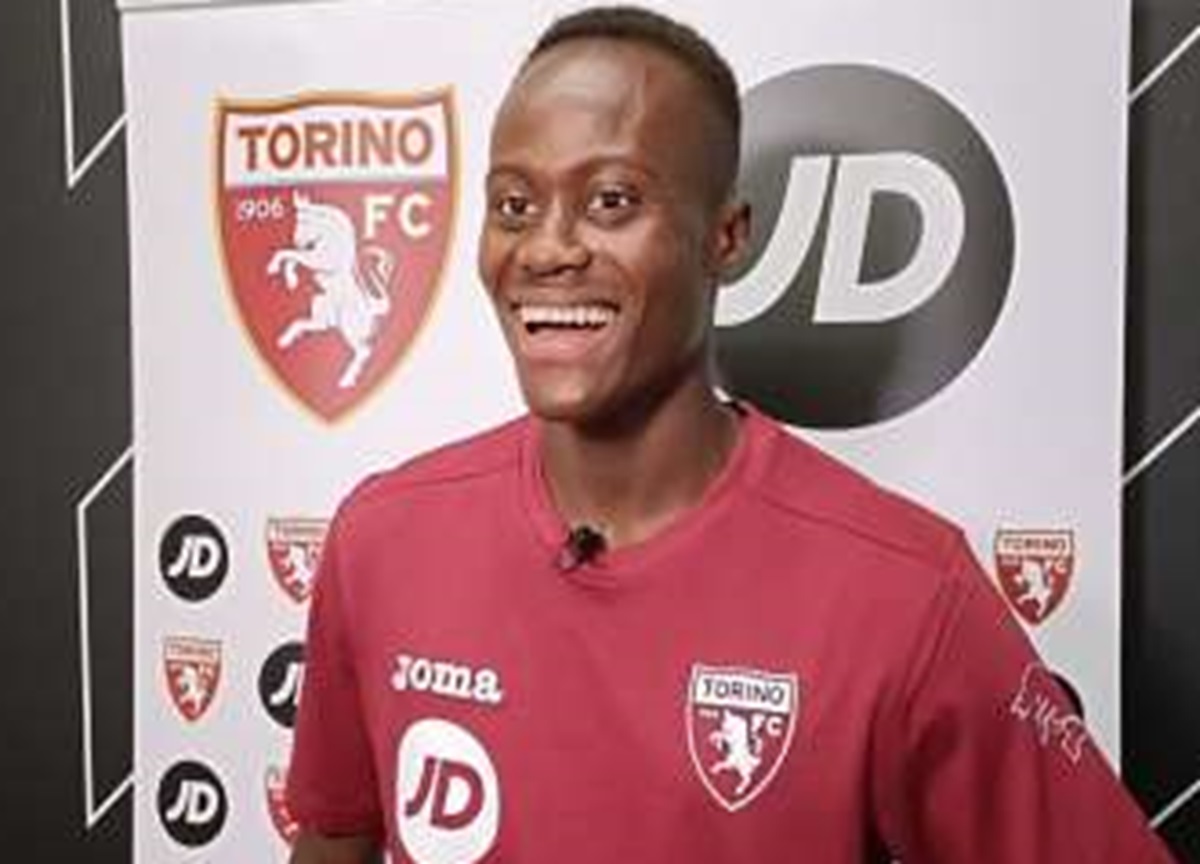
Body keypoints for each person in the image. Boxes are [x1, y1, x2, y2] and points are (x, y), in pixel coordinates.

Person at [286, 6, 1175, 863]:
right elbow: (332, 841)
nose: (547, 248)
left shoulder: (907, 593)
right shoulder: (382, 540)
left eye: (610, 201)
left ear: (725, 236)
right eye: (514, 205)